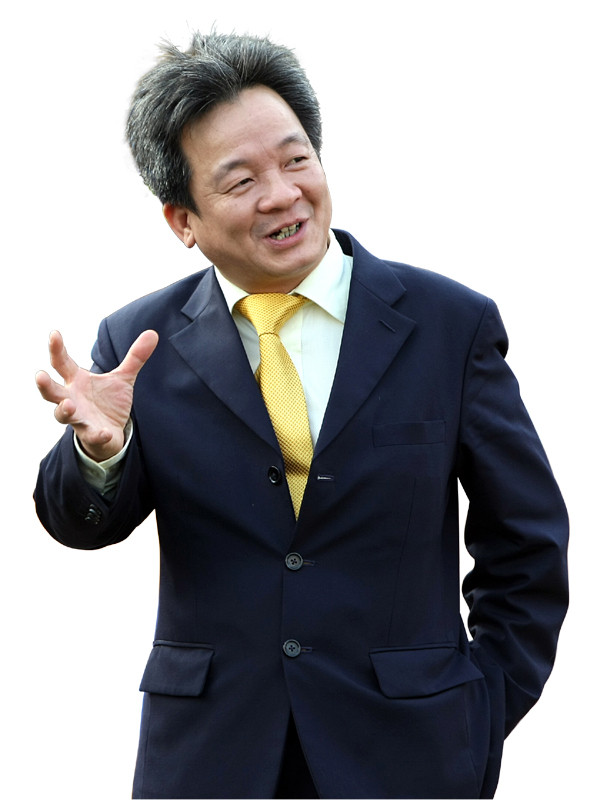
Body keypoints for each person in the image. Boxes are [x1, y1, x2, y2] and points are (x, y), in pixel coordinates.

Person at [34, 31, 569, 800]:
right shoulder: (137, 345)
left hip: (409, 758)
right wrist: (99, 454)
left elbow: (527, 544)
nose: (282, 194)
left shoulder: (449, 325)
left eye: (295, 160)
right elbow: (80, 525)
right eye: (241, 180)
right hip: (211, 761)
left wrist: (476, 714)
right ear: (182, 219)